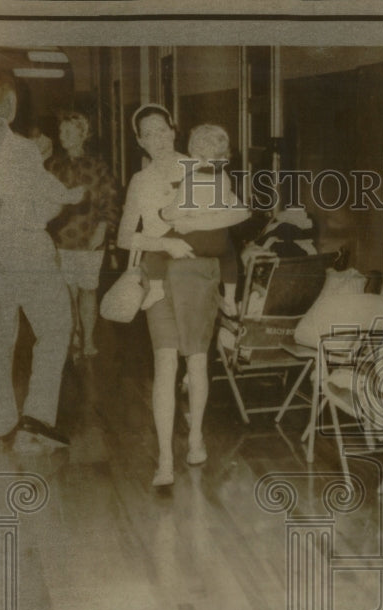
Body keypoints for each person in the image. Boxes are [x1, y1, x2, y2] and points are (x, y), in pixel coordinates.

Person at [0, 65, 84, 453]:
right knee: (56, 328)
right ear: (10, 102)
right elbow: (53, 200)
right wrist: (71, 196)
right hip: (26, 252)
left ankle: (2, 422)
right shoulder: (22, 149)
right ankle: (37, 422)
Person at [117, 105, 246, 487]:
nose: (157, 139)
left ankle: (195, 438)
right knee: (164, 365)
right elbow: (124, 237)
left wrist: (191, 225)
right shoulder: (139, 182)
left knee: (197, 364)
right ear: (138, 140)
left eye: (162, 130)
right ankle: (164, 460)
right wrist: (163, 242)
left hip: (197, 275)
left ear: (174, 130)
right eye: (147, 133)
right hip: (158, 274)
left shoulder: (201, 166)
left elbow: (232, 219)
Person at [140, 123, 247, 313]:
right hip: (218, 240)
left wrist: (163, 213)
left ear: (196, 156)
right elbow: (233, 207)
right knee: (230, 255)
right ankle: (230, 297)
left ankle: (156, 289)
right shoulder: (224, 178)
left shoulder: (191, 179)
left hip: (193, 239)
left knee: (155, 251)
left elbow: (177, 210)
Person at [45, 111, 120, 358]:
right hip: (61, 239)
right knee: (66, 291)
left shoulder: (97, 165)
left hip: (90, 238)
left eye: (69, 131)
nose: (63, 136)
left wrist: (102, 230)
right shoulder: (53, 165)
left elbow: (110, 201)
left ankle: (87, 339)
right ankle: (72, 336)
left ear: (83, 134)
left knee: (88, 289)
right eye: (61, 131)